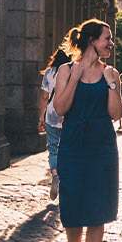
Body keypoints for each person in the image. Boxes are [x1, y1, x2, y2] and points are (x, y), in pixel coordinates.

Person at [52, 19, 122, 242]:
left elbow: (116, 114)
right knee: (72, 208)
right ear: (93, 40)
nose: (111, 43)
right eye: (108, 38)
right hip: (72, 145)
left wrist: (112, 86)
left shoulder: (111, 73)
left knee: (98, 210)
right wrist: (74, 79)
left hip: (102, 146)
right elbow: (60, 108)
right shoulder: (66, 70)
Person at [39, 45, 71, 201]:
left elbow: (45, 97)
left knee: (53, 149)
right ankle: (67, 179)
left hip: (52, 114)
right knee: (68, 148)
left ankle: (55, 175)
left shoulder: (49, 73)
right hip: (68, 114)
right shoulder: (71, 71)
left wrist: (41, 116)